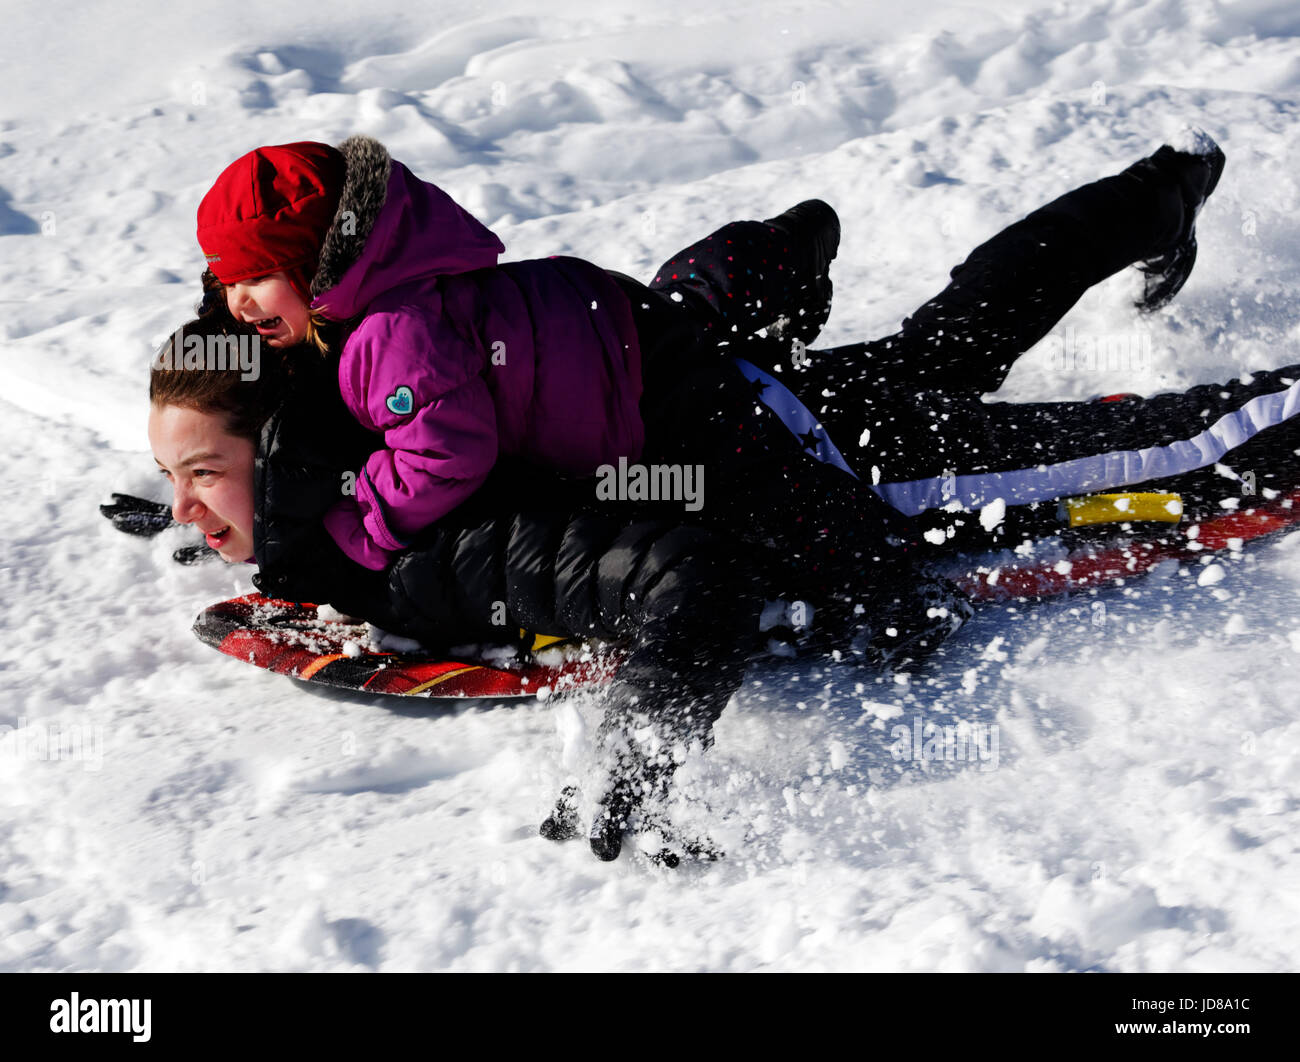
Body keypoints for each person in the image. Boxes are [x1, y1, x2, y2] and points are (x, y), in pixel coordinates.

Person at [148, 129, 1300, 862]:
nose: (191, 512)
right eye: (178, 485)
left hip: (794, 455)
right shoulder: (343, 349)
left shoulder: (390, 422)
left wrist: (855, 585)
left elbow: (653, 553)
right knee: (945, 341)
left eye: (201, 481)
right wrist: (206, 488)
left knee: (1147, 457)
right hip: (725, 393)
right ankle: (1152, 193)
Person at [195, 136, 840, 573]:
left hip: (645, 390)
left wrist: (363, 525)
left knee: (757, 495)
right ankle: (774, 248)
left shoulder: (390, 335)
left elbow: (445, 456)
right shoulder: (373, 298)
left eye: (256, 280)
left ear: (319, 263)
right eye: (227, 283)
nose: (239, 305)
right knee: (692, 309)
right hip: (600, 318)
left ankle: (885, 574)